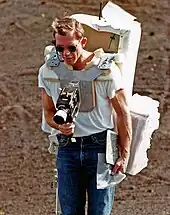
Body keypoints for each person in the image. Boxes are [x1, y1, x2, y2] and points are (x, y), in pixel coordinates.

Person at [38, 17, 132, 215]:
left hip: (99, 148)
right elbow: (47, 112)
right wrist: (59, 127)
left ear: (83, 42)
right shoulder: (48, 71)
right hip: (67, 149)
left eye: (71, 48)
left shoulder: (106, 72)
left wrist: (124, 155)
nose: (65, 54)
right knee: (70, 211)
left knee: (100, 211)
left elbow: (123, 114)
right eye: (59, 48)